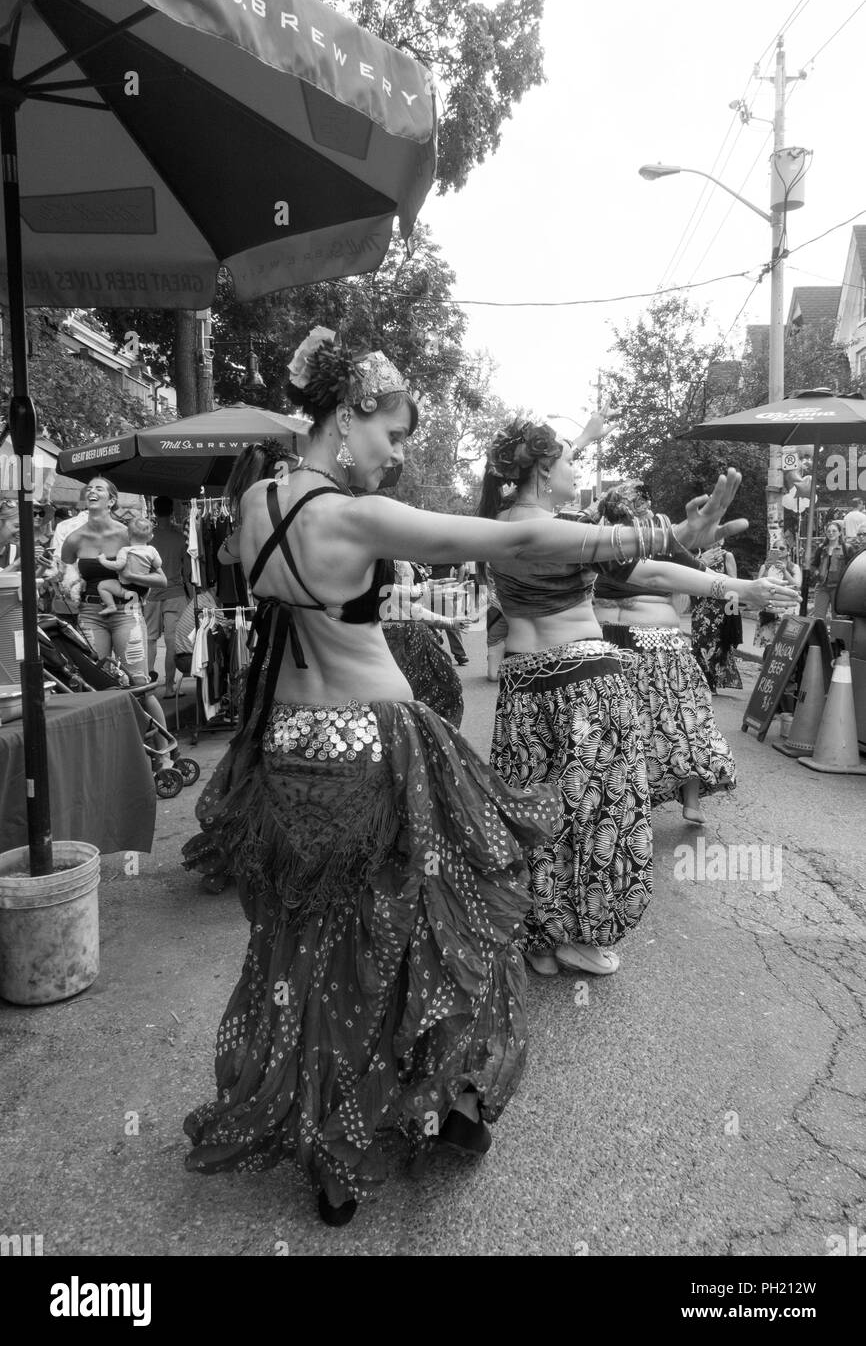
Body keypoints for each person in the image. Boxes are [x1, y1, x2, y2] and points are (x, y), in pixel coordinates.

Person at [181, 328, 745, 1226]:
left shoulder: (254, 501)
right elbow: (509, 536)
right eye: (394, 435)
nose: (399, 457)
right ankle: (418, 1105)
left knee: (310, 944)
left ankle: (335, 1139)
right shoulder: (353, 516)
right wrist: (659, 531)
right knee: (437, 926)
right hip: (375, 748)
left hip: (290, 750)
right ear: (347, 415)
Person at [480, 421, 755, 981]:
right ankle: (582, 937)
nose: (576, 470)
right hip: (584, 679)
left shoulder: (493, 527)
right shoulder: (573, 530)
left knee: (535, 810)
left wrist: (578, 440)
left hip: (522, 688)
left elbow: (642, 553)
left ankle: (538, 937)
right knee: (600, 811)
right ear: (542, 470)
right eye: (568, 462)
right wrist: (731, 585)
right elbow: (649, 567)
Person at [592, 483, 791, 826]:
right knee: (637, 726)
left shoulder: (661, 542)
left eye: (640, 506)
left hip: (653, 642)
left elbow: (703, 576)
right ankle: (632, 801)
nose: (637, 513)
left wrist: (744, 592)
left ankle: (689, 797)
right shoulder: (599, 543)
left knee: (682, 721)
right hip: (611, 644)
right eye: (628, 508)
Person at [59, 477, 173, 761]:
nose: (93, 491)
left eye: (100, 488)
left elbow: (161, 579)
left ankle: (166, 752)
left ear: (111, 500)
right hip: (89, 614)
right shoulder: (74, 538)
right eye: (90, 488)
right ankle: (115, 757)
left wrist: (134, 577)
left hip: (126, 614)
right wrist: (67, 582)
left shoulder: (128, 535)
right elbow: (66, 573)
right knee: (98, 688)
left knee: (139, 685)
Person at [380, 560, 473, 726]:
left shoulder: (401, 562)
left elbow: (407, 607)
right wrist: (423, 590)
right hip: (394, 642)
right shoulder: (396, 563)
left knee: (440, 691)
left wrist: (449, 622)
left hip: (402, 639)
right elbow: (391, 598)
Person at [144, 496, 192, 695]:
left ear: (154, 512)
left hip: (151, 592)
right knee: (172, 640)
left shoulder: (147, 537)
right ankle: (170, 687)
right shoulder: (181, 538)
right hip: (176, 592)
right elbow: (188, 572)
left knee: (150, 639)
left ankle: (147, 685)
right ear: (172, 511)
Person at [690, 539, 743, 693]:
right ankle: (701, 679)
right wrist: (701, 563)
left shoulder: (727, 556)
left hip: (720, 611)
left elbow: (734, 584)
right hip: (700, 609)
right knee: (699, 643)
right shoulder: (697, 557)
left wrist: (733, 613)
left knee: (718, 644)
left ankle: (712, 681)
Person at [96, 514, 162, 614]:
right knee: (149, 579)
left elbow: (118, 565)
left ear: (128, 535)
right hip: (144, 589)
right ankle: (143, 600)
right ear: (150, 537)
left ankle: (111, 606)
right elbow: (158, 564)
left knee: (102, 585)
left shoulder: (125, 550)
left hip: (127, 589)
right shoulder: (152, 550)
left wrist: (103, 561)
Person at [754, 543, 802, 651]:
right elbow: (757, 585)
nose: (779, 551)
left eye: (782, 548)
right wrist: (766, 569)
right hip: (770, 606)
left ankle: (785, 666)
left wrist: (785, 571)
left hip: (788, 606)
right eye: (775, 548)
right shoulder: (765, 566)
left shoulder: (794, 567)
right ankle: (766, 664)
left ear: (788, 551)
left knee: (787, 640)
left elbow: (797, 586)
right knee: (768, 640)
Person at [811, 520, 848, 621]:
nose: (831, 533)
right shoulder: (821, 548)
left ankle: (836, 637)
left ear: (840, 533)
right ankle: (821, 637)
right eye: (829, 531)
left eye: (834, 531)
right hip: (822, 586)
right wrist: (816, 572)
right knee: (818, 618)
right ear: (826, 533)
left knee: (838, 617)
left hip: (838, 588)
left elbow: (850, 567)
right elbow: (813, 565)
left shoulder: (846, 548)